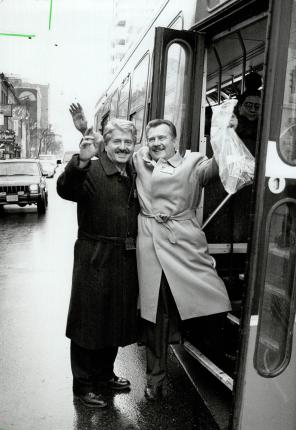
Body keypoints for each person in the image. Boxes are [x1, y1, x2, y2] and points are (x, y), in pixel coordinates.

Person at [134, 119, 231, 400]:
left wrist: (224, 133)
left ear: (175, 140)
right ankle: (155, 379)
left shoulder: (193, 163)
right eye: (151, 138)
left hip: (185, 243)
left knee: (216, 301)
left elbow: (218, 167)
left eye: (162, 137)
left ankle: (214, 362)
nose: (156, 143)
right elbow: (112, 150)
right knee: (155, 315)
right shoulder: (139, 161)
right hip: (151, 245)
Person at [57, 118, 139, 408]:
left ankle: (104, 376)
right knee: (87, 320)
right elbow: (65, 189)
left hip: (124, 256)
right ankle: (83, 385)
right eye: (117, 141)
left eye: (128, 142)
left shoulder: (132, 170)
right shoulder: (90, 168)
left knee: (114, 318)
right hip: (94, 255)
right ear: (106, 143)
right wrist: (80, 160)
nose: (123, 147)